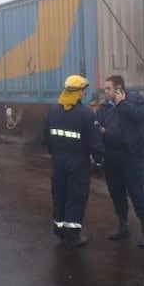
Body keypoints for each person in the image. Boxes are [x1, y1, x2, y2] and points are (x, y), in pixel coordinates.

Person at [43, 75, 104, 247]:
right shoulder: (86, 115)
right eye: (83, 91)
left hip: (58, 161)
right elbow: (95, 143)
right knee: (76, 197)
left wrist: (55, 154)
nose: (84, 94)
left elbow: (45, 137)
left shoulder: (52, 110)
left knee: (59, 195)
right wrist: (98, 163)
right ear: (78, 93)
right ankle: (73, 236)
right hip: (78, 163)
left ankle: (60, 230)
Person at [96, 75, 144, 248]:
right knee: (116, 192)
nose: (105, 92)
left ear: (119, 88)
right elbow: (97, 122)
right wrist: (100, 129)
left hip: (131, 155)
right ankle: (123, 225)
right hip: (111, 156)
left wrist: (123, 104)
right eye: (104, 89)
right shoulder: (104, 106)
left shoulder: (136, 100)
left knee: (136, 192)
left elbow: (141, 118)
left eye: (108, 88)